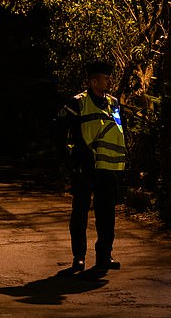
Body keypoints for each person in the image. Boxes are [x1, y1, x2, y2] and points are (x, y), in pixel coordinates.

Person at [58, 61, 126, 272]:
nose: (109, 81)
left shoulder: (113, 103)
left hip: (107, 167)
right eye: (105, 78)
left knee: (106, 214)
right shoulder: (78, 102)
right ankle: (79, 257)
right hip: (84, 167)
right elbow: (58, 130)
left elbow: (118, 131)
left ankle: (105, 255)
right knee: (80, 212)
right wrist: (73, 156)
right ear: (93, 81)